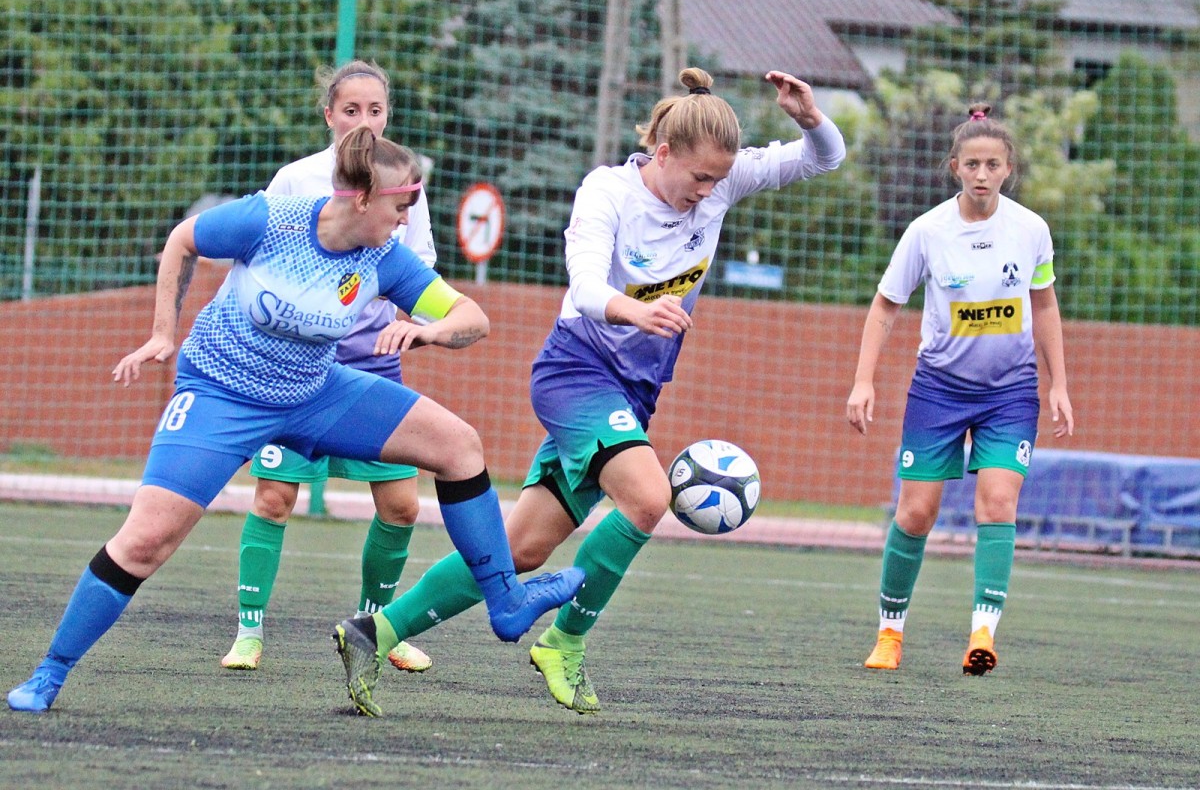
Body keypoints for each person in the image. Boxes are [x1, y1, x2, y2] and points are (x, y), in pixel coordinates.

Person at [7, 125, 585, 715]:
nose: (408, 217)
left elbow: (472, 317)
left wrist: (431, 331)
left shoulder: (385, 258)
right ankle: (50, 672)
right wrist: (162, 332)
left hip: (314, 391)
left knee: (459, 445)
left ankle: (506, 603)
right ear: (362, 198)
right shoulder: (271, 220)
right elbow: (183, 239)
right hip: (222, 391)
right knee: (146, 540)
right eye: (401, 204)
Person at [331, 67, 846, 716]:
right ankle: (564, 642)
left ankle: (375, 632)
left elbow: (824, 159)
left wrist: (809, 117)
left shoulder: (720, 182)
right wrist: (637, 312)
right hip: (574, 373)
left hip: (631, 394)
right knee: (649, 497)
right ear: (664, 154)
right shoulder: (607, 192)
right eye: (699, 178)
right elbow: (585, 287)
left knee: (520, 550)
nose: (708, 192)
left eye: (718, 180)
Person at [220, 59, 440, 675]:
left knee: (401, 505)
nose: (363, 121)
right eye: (350, 110)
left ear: (388, 116)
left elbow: (419, 266)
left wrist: (415, 323)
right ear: (329, 116)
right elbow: (255, 258)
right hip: (294, 369)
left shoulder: (405, 183)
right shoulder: (295, 180)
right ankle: (248, 633)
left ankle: (376, 628)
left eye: (375, 110)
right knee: (274, 499)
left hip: (373, 368)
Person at [845, 103, 1074, 675]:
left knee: (997, 502)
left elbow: (1045, 306)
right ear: (955, 167)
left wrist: (1059, 384)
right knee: (916, 512)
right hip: (939, 390)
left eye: (992, 164)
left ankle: (982, 635)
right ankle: (889, 635)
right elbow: (885, 306)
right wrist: (863, 380)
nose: (981, 174)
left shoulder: (1031, 230)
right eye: (971, 164)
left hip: (1010, 391)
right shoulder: (927, 231)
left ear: (1008, 169)